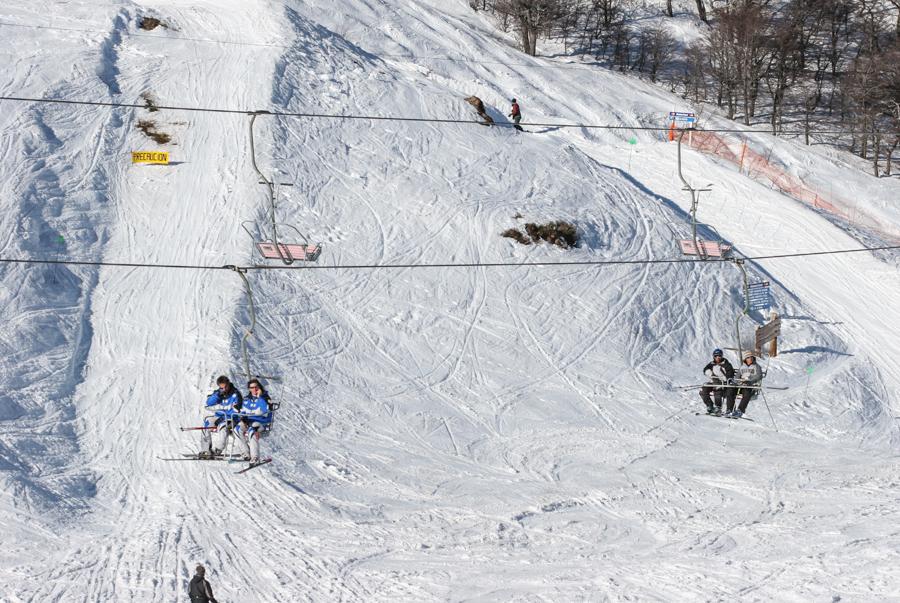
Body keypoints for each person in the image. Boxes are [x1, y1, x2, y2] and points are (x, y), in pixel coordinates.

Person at [199, 375, 243, 459]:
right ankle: (206, 450)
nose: (224, 389)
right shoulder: (218, 392)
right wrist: (217, 395)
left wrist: (224, 417)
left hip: (231, 417)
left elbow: (237, 409)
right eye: (221, 388)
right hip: (219, 416)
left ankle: (218, 450)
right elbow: (209, 402)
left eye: (225, 387)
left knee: (223, 427)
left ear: (228, 384)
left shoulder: (236, 394)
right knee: (206, 423)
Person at [233, 378, 272, 463]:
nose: (254, 389)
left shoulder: (265, 398)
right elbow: (242, 412)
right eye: (252, 387)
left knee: (252, 430)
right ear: (249, 389)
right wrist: (243, 420)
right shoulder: (247, 399)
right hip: (249, 422)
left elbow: (265, 411)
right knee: (237, 429)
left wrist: (260, 397)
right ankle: (246, 453)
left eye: (256, 387)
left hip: (261, 422)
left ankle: (255, 457)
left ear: (259, 387)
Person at [726, 351, 763, 418]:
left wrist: (750, 380)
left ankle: (740, 410)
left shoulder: (757, 366)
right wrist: (738, 382)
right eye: (748, 357)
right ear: (745, 359)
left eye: (751, 357)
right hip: (740, 385)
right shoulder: (742, 367)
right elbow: (737, 376)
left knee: (747, 391)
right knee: (730, 390)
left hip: (750, 385)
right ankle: (730, 409)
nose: (750, 359)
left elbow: (759, 376)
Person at [699, 348, 734, 415]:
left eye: (719, 356)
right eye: (716, 356)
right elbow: (705, 369)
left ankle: (718, 407)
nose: (717, 357)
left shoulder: (726, 364)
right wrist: (710, 374)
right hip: (713, 382)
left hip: (723, 383)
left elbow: (730, 375)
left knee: (717, 389)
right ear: (713, 356)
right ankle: (710, 406)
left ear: (722, 356)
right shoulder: (711, 364)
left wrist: (722, 379)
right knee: (703, 390)